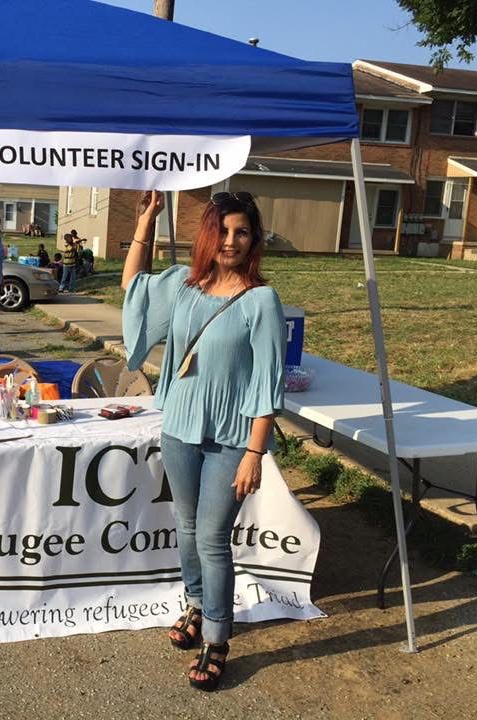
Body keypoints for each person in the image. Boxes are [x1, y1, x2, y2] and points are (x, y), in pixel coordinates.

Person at [121, 190, 286, 692]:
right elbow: (133, 287)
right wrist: (145, 222)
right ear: (208, 235)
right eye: (224, 231)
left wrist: (255, 453)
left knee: (213, 538)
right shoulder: (185, 288)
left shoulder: (261, 302)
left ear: (254, 238)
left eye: (242, 232)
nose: (232, 241)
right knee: (185, 526)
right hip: (180, 428)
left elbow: (267, 383)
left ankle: (217, 636)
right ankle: (195, 603)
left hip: (233, 437)